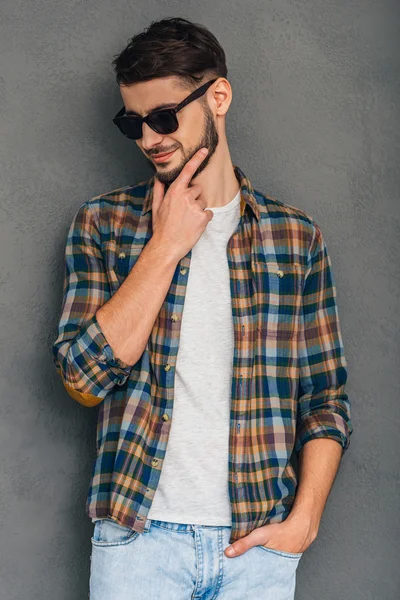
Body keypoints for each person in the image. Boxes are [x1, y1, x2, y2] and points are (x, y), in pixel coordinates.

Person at [52, 16, 353, 600]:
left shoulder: (295, 239)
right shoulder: (103, 225)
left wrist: (305, 520)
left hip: (256, 547)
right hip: (137, 542)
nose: (150, 138)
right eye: (133, 123)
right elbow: (82, 380)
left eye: (165, 118)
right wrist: (165, 246)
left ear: (219, 96)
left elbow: (325, 399)